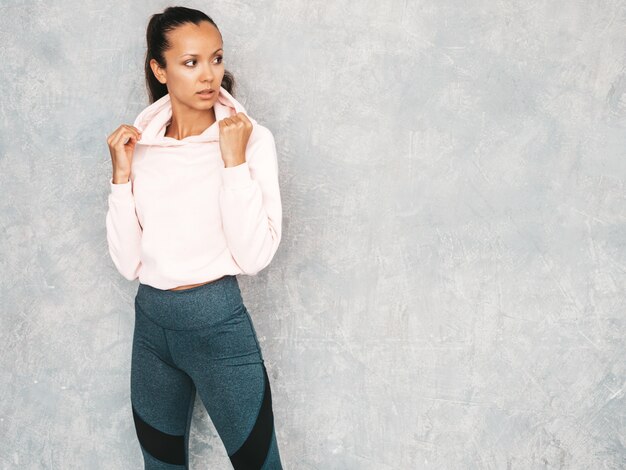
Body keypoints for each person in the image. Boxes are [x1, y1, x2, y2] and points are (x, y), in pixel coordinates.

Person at [104, 6, 284, 469]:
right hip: (152, 328)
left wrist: (233, 164)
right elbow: (128, 264)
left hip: (218, 328)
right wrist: (121, 177)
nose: (210, 76)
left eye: (216, 59)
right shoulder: (141, 146)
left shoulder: (249, 139)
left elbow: (254, 255)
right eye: (191, 62)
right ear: (159, 70)